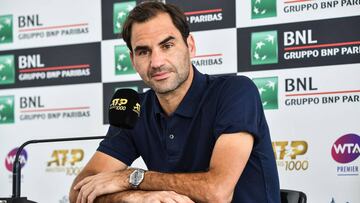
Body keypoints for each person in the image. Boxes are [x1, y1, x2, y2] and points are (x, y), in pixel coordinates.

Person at [69, 1, 280, 203]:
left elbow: (217, 193)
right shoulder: (136, 109)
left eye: (167, 45)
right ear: (133, 61)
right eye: (144, 51)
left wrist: (132, 178)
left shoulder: (235, 92)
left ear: (190, 46)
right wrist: (133, 197)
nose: (157, 62)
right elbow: (79, 191)